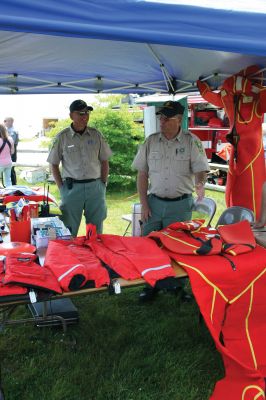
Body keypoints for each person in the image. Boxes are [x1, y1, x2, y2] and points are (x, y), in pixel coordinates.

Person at [132, 101, 210, 301]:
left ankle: (177, 286)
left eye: (167, 118)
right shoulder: (151, 141)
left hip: (180, 205)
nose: (162, 121)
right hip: (154, 203)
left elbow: (200, 169)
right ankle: (151, 285)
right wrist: (144, 204)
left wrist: (200, 182)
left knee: (178, 247)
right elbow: (142, 175)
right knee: (150, 245)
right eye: (161, 117)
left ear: (179, 120)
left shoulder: (192, 142)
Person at [47, 99, 112, 237]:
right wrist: (61, 188)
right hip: (72, 189)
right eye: (81, 113)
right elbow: (53, 163)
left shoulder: (96, 135)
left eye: (87, 113)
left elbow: (105, 160)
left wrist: (103, 184)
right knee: (68, 231)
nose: (85, 117)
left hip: (95, 188)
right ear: (71, 116)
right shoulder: (62, 137)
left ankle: (94, 257)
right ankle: (70, 258)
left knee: (95, 231)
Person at [4, 117, 19, 185]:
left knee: (11, 169)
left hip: (11, 153)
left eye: (5, 121)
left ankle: (14, 185)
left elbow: (11, 143)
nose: (4, 122)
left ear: (11, 122)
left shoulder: (13, 131)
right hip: (6, 153)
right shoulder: (5, 130)